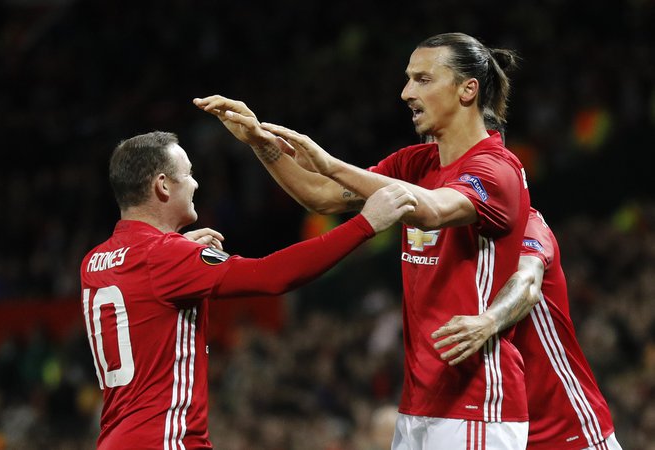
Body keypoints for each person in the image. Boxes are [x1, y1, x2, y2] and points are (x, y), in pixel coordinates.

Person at [195, 32, 531, 449]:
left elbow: (430, 208)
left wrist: (331, 163)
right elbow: (321, 196)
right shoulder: (415, 161)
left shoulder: (496, 169)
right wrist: (261, 145)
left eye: (423, 80)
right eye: (408, 79)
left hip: (478, 403)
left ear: (468, 89)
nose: (406, 92)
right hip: (418, 404)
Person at [80, 131, 417, 449]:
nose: (196, 183)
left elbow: (146, 290)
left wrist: (179, 251)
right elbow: (271, 275)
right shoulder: (166, 257)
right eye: (189, 173)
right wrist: (365, 223)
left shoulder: (95, 262)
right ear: (163, 186)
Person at [431, 207, 623, 449]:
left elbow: (528, 281)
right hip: (504, 429)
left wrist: (488, 321)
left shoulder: (526, 225)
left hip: (567, 430)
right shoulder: (458, 246)